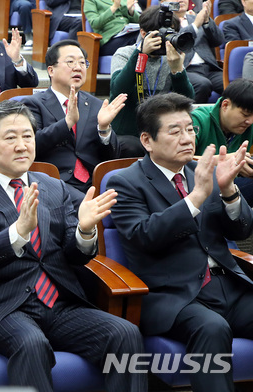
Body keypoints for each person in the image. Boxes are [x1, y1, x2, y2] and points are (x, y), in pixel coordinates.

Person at [0, 100, 146, 392]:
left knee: (125, 333)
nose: (21, 145)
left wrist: (85, 230)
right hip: (6, 305)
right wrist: (18, 231)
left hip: (60, 301)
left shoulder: (52, 186)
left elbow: (73, 254)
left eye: (27, 136)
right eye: (10, 137)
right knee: (31, 344)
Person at [108, 92, 253, 392]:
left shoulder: (204, 172)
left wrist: (228, 192)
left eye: (190, 129)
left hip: (226, 284)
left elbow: (242, 231)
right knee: (212, 328)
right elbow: (145, 236)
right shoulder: (125, 181)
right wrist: (197, 196)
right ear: (147, 140)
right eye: (175, 131)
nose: (187, 138)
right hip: (174, 294)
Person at [22, 40, 124, 208]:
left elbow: (113, 157)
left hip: (94, 180)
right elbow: (33, 144)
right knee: (95, 207)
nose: (78, 67)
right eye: (70, 62)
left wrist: (104, 130)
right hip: (54, 181)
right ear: (51, 70)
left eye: (82, 63)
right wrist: (67, 123)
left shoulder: (96, 105)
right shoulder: (33, 104)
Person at [109, 5, 194, 157]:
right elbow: (118, 89)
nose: (165, 39)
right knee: (132, 147)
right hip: (127, 131)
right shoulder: (125, 54)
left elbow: (187, 99)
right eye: (160, 34)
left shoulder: (171, 57)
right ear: (143, 33)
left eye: (170, 34)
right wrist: (140, 54)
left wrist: (177, 69)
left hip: (159, 130)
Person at [192, 78, 253, 204]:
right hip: (198, 189)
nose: (250, 122)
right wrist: (224, 161)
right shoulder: (197, 120)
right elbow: (178, 161)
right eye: (245, 114)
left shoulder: (249, 124)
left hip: (231, 185)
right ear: (225, 105)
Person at [175, 0, 223, 103]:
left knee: (235, 85)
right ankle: (194, 118)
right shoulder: (164, 21)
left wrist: (206, 22)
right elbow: (177, 41)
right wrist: (195, 25)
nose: (181, 0)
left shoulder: (196, 18)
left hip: (209, 68)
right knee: (203, 84)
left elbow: (218, 40)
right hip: (185, 69)